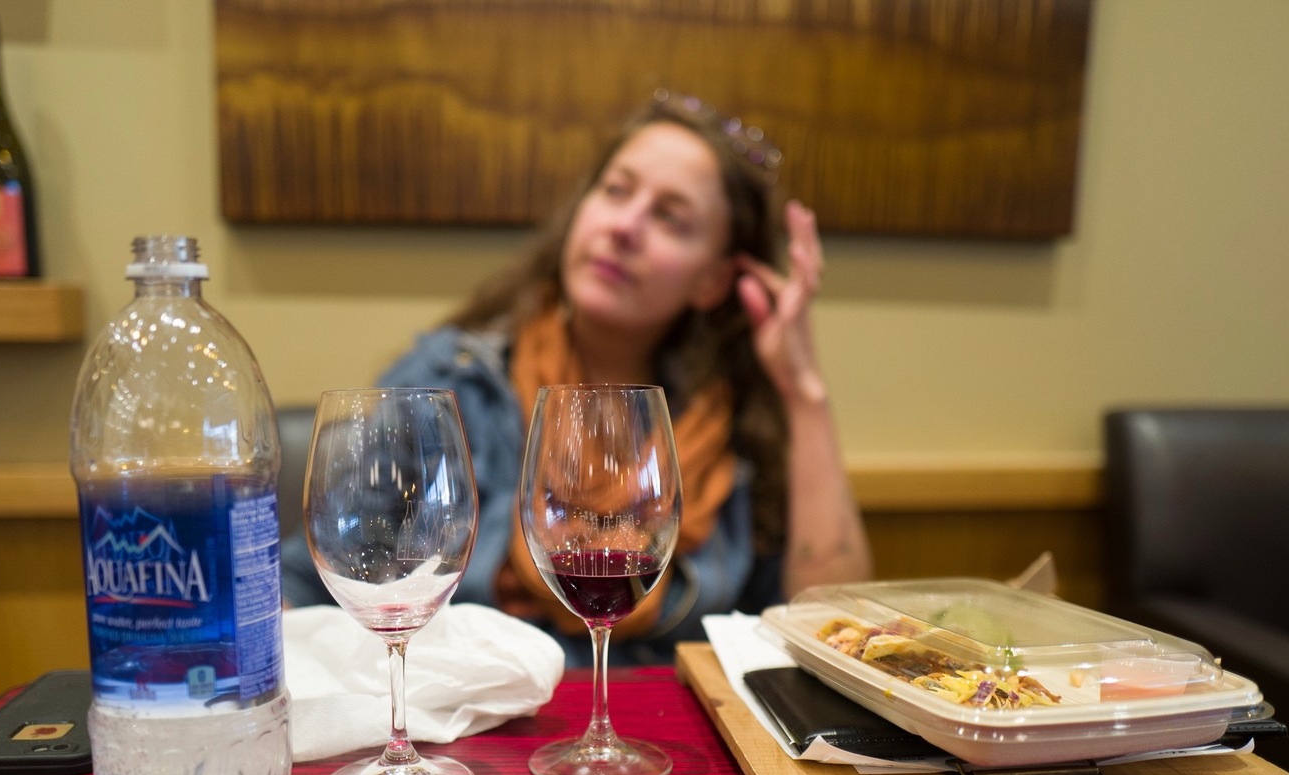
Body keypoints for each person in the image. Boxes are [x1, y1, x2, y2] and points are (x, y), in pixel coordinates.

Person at [283, 90, 872, 664]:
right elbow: (317, 578)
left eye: (671, 217)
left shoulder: (733, 428)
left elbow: (823, 624)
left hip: (678, 743)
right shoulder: (453, 384)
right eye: (616, 190)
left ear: (712, 281)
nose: (625, 226)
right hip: (478, 743)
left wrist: (803, 392)